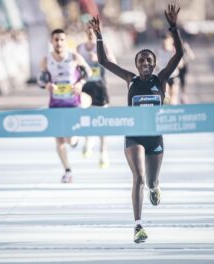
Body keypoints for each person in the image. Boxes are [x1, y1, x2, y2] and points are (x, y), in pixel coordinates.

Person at [89, 2, 183, 243]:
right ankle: (138, 226)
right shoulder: (130, 79)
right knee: (138, 178)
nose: (144, 64)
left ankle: (155, 187)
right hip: (134, 136)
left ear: (153, 64)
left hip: (156, 139)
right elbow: (104, 61)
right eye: (141, 61)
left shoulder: (161, 79)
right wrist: (99, 36)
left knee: (151, 181)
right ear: (136, 64)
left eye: (148, 61)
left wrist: (173, 27)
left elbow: (179, 55)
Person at [38, 28, 92, 183]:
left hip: (73, 104)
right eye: (56, 39)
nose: (59, 42)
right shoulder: (46, 59)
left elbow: (88, 72)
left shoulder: (74, 56)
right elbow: (40, 80)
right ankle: (67, 171)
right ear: (51, 41)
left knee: (70, 140)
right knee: (59, 140)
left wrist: (80, 83)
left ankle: (76, 141)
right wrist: (47, 85)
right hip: (55, 105)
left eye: (62, 39)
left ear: (65, 41)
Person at [76, 23, 116, 168]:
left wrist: (99, 59)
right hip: (85, 86)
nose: (90, 33)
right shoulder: (80, 48)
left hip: (100, 87)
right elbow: (74, 66)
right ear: (85, 32)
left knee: (102, 120)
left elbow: (114, 63)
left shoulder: (103, 46)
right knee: (85, 116)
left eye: (93, 31)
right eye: (88, 30)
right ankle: (88, 140)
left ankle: (103, 152)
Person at [156, 33, 180, 105]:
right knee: (166, 96)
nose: (165, 42)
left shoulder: (174, 51)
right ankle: (167, 109)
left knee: (174, 96)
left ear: (171, 41)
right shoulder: (157, 50)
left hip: (174, 75)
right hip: (164, 77)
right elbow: (155, 62)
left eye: (166, 40)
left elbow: (180, 64)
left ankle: (174, 110)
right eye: (163, 40)